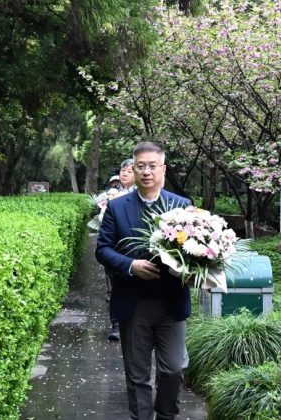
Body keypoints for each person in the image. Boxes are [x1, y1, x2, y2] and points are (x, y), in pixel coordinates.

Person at [96, 142, 192, 420]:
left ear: (163, 169)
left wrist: (192, 268)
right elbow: (102, 249)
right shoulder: (116, 207)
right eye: (141, 166)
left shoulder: (181, 205)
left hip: (171, 301)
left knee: (173, 369)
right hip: (133, 302)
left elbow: (195, 248)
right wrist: (130, 265)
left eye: (152, 166)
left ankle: (165, 415)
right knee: (137, 374)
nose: (146, 171)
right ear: (134, 169)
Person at [106, 158, 137, 340]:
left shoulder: (140, 195)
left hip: (133, 249)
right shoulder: (111, 194)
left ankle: (129, 322)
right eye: (122, 170)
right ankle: (116, 325)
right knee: (115, 285)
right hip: (114, 249)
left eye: (129, 171)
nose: (124, 174)